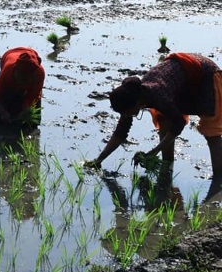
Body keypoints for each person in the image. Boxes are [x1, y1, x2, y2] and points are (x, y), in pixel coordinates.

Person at [86, 53, 222, 179]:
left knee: (212, 133)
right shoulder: (131, 96)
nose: (126, 115)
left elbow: (179, 123)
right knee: (164, 120)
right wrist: (98, 160)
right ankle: (167, 166)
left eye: (127, 112)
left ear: (137, 102)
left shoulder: (157, 93)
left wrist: (153, 152)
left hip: (206, 76)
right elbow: (120, 133)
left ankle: (218, 178)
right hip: (182, 83)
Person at [0, 47, 45, 125]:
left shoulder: (39, 73)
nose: (22, 83)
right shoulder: (6, 72)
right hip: (9, 55)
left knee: (33, 119)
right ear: (16, 71)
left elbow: (34, 95)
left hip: (32, 54)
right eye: (20, 79)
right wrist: (3, 112)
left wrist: (26, 109)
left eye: (26, 80)